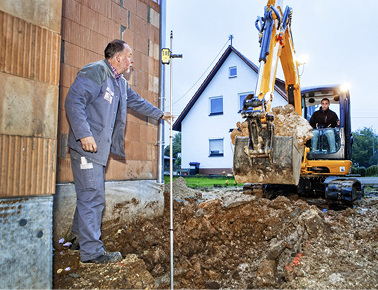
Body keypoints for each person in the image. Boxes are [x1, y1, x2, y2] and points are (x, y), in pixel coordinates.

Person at [65, 39, 172, 264]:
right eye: (130, 55)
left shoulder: (120, 83)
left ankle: (77, 239)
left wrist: (161, 114)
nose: (133, 60)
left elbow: (138, 102)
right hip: (87, 147)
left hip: (98, 151)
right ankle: (92, 254)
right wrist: (84, 134)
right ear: (118, 57)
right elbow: (74, 101)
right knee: (93, 197)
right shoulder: (96, 72)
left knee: (88, 193)